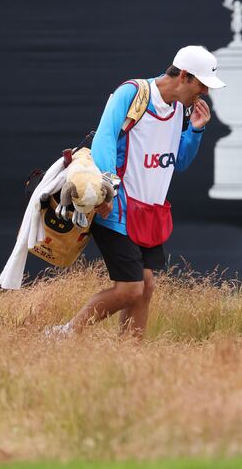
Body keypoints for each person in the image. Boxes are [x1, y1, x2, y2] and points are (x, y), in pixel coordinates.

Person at [47, 45, 225, 339]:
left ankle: (131, 358)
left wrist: (195, 131)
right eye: (202, 84)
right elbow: (104, 140)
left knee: (146, 288)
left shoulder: (180, 109)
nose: (204, 92)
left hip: (149, 213)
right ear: (183, 76)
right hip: (115, 210)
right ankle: (64, 334)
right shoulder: (131, 93)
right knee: (130, 288)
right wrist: (105, 193)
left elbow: (178, 162)